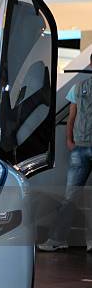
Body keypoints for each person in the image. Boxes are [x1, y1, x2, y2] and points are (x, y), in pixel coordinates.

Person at [39, 54, 92, 252]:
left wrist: (70, 141)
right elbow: (71, 118)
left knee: (71, 197)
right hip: (80, 147)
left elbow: (71, 118)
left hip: (79, 147)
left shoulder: (78, 88)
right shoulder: (77, 88)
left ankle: (57, 239)